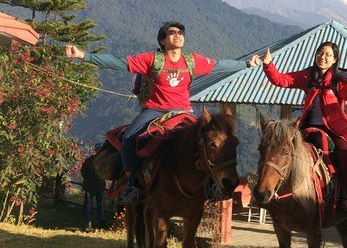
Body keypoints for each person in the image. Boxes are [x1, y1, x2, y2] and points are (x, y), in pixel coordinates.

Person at [66, 21, 261, 204]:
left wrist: (246, 64)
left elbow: (219, 65)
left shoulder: (192, 60)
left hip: (183, 110)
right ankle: (133, 183)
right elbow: (119, 62)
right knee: (129, 139)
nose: (178, 36)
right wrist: (84, 55)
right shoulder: (152, 59)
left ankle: (211, 185)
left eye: (180, 33)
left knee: (206, 141)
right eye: (172, 33)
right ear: (162, 40)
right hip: (154, 110)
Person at [261, 42, 347, 215]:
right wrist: (269, 64)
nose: (323, 57)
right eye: (320, 53)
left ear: (335, 59)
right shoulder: (307, 76)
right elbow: (282, 80)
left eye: (328, 55)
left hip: (334, 129)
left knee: (344, 154)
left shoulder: (340, 81)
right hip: (307, 126)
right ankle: (268, 190)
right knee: (277, 150)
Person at [81, 149, 106, 229]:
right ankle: (102, 224)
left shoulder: (87, 161)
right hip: (100, 186)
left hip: (89, 186)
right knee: (100, 206)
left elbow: (83, 172)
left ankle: (88, 223)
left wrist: (87, 179)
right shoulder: (103, 162)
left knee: (88, 206)